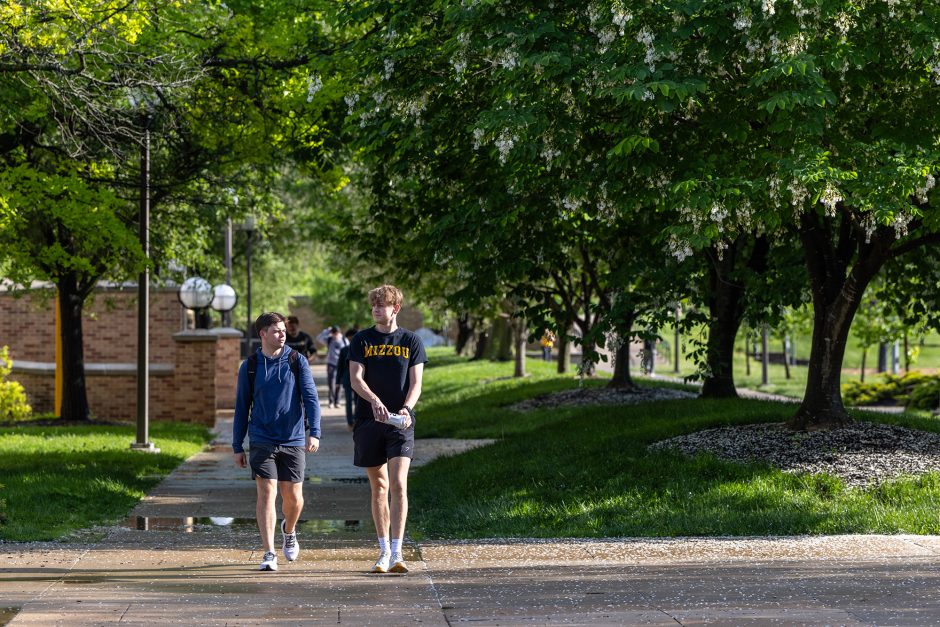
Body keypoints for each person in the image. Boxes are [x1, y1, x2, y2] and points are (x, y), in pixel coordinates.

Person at [233, 312, 322, 572]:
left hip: (293, 438)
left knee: (294, 498)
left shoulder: (297, 361)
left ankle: (289, 530)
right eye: (276, 331)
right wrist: (237, 445)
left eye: (283, 330)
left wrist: (314, 431)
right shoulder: (250, 366)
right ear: (262, 334)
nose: (282, 334)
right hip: (261, 438)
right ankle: (269, 552)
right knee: (267, 493)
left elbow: (311, 399)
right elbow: (241, 407)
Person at [349, 285, 427, 574]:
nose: (376, 310)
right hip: (369, 422)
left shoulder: (411, 340)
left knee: (398, 484)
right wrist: (374, 401)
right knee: (379, 487)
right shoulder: (361, 340)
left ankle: (398, 552)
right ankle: (382, 551)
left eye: (382, 305)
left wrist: (406, 408)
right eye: (374, 306)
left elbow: (416, 383)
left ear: (395, 308)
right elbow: (356, 379)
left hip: (400, 422)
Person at [317, 325, 348, 408]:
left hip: (341, 364)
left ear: (339, 332)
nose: (335, 335)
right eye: (333, 333)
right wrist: (327, 330)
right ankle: (331, 401)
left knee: (339, 383)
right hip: (331, 364)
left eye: (336, 333)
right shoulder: (329, 339)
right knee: (331, 383)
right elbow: (319, 338)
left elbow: (348, 350)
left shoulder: (344, 340)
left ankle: (337, 401)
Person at [335, 328, 358, 431]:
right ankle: (350, 422)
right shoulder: (344, 350)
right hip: (347, 380)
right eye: (349, 339)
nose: (351, 340)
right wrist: (337, 382)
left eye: (352, 338)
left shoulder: (362, 349)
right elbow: (340, 366)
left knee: (358, 402)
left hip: (360, 380)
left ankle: (357, 420)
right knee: (348, 402)